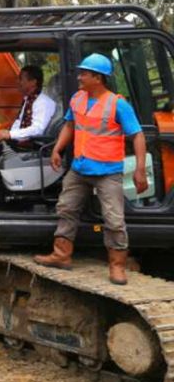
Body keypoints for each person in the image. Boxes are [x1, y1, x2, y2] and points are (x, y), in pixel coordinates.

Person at [34, 53, 149, 285]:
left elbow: (137, 135)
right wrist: (57, 149)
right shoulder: (78, 98)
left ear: (98, 78)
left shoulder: (118, 104)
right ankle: (61, 254)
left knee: (114, 220)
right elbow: (70, 125)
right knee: (66, 208)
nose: (79, 77)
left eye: (84, 73)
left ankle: (117, 267)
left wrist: (140, 169)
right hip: (79, 169)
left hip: (108, 172)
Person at [0, 65, 57, 207]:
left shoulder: (44, 102)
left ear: (33, 82)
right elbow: (19, 123)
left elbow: (37, 129)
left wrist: (10, 134)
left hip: (31, 143)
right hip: (18, 139)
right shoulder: (29, 100)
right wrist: (0, 134)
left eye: (21, 79)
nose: (18, 82)